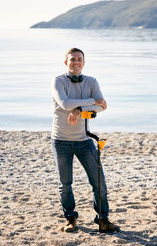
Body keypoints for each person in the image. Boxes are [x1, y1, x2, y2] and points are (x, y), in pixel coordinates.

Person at [51, 47, 120, 233]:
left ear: (84, 62)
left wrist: (79, 110)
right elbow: (64, 103)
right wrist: (91, 101)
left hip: (84, 140)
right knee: (65, 184)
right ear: (66, 62)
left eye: (79, 59)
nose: (76, 62)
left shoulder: (92, 81)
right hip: (60, 140)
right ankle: (70, 219)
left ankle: (103, 220)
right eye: (72, 59)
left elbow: (102, 107)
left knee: (99, 183)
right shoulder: (58, 81)